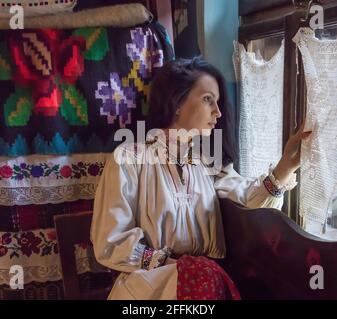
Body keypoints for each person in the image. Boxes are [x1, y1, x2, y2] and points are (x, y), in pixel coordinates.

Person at [90, 57, 312, 300]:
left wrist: (286, 165)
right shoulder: (129, 159)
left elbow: (248, 201)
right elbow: (110, 242)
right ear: (176, 102)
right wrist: (180, 267)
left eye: (217, 102)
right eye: (208, 100)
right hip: (149, 286)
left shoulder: (207, 162)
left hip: (206, 285)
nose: (217, 112)